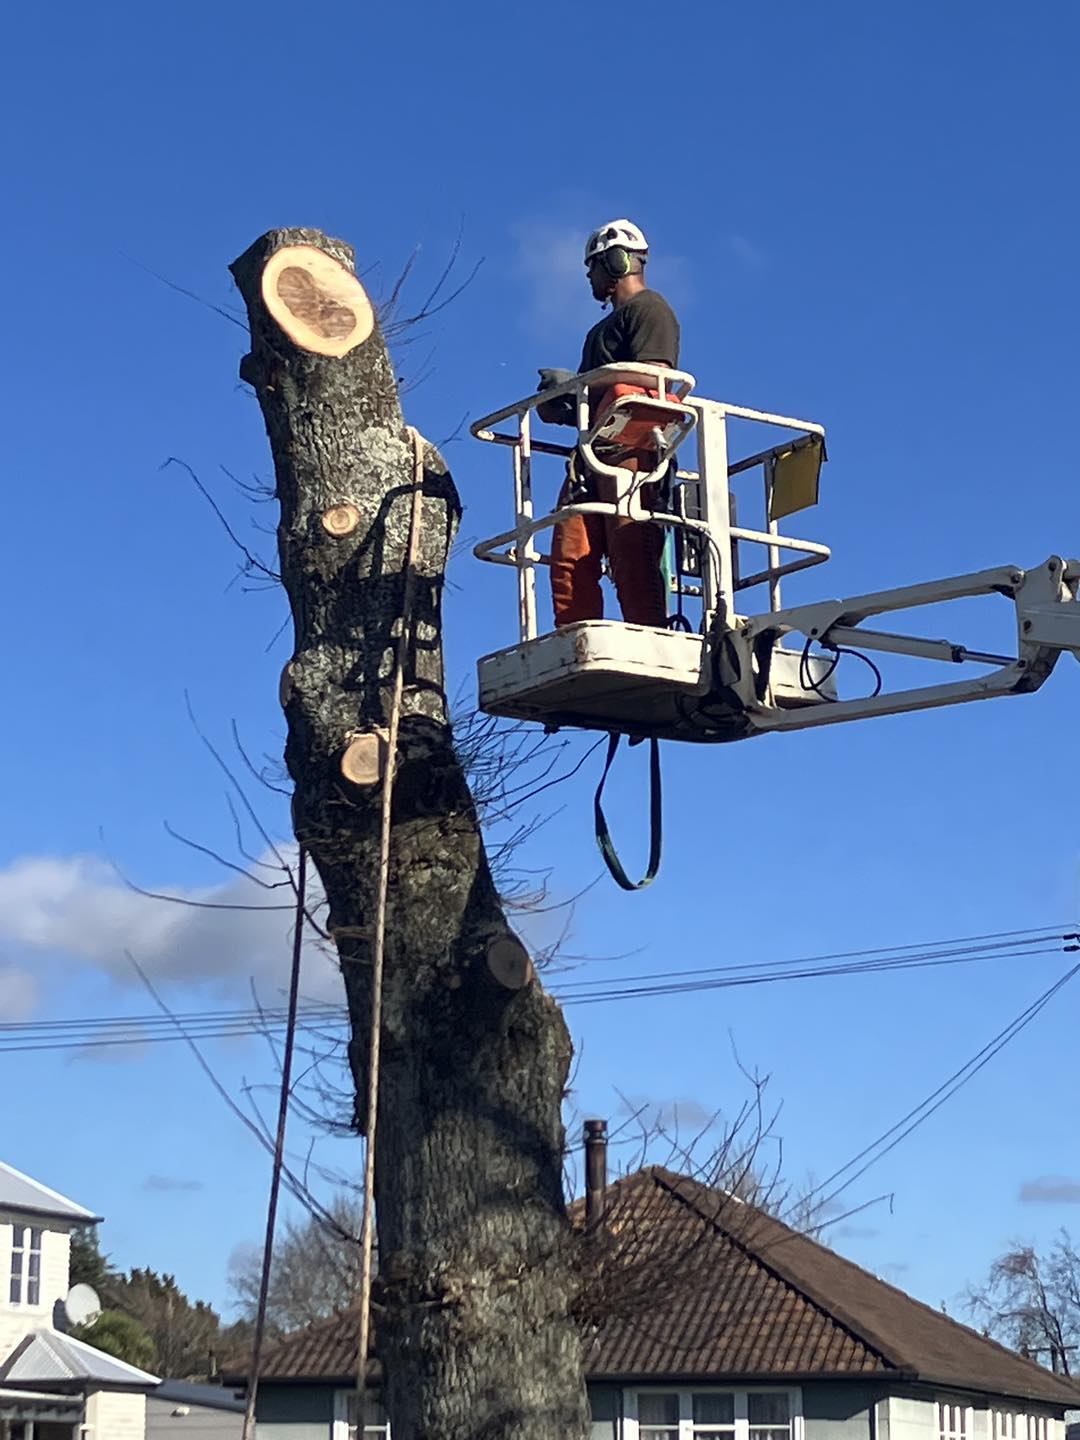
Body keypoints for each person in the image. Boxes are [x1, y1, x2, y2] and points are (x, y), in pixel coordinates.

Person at [537, 219, 680, 629]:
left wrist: (584, 383)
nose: (589, 276)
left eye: (594, 266)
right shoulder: (599, 331)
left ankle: (649, 633)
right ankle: (575, 633)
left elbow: (655, 377)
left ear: (617, 262)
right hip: (592, 450)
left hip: (634, 445)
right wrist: (564, 403)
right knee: (570, 550)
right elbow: (598, 397)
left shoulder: (651, 309)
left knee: (630, 543)